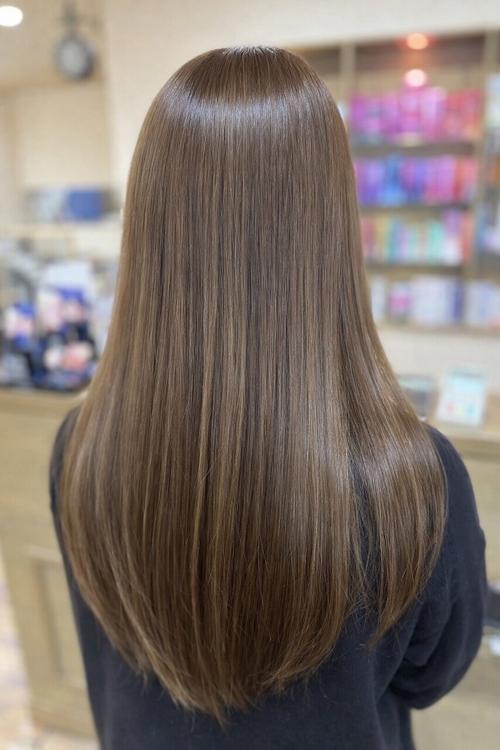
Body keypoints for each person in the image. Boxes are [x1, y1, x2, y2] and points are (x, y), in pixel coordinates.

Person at [49, 45, 487, 750]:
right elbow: (429, 675)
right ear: (330, 221)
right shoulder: (412, 476)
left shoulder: (82, 444)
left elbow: (103, 643)